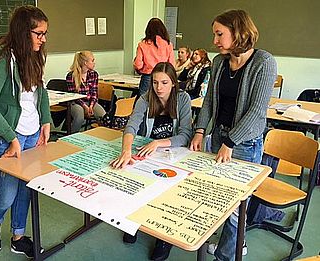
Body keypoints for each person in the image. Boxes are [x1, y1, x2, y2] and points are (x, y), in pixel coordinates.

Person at [189, 9, 277, 261]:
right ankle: (235, 243)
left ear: (238, 32)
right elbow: (208, 102)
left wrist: (230, 141)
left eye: (220, 34)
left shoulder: (264, 62)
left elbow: (257, 112)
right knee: (219, 196)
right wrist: (199, 130)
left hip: (244, 143)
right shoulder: (218, 62)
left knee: (237, 205)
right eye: (214, 34)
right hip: (218, 136)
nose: (215, 41)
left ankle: (228, 255)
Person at [0, 5, 51, 258]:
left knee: (25, 190)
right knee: (7, 195)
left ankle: (18, 236)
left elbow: (40, 91)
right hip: (5, 136)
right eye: (38, 33)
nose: (43, 39)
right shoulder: (0, 60)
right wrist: (11, 138)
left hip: (31, 134)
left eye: (44, 33)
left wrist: (46, 121)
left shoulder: (34, 54)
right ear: (22, 32)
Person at [111, 62, 192, 261]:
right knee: (135, 182)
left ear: (173, 83)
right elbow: (131, 126)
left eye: (164, 82)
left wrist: (158, 143)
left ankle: (163, 239)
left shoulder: (182, 99)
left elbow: (185, 135)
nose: (159, 87)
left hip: (173, 153)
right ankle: (134, 222)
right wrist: (126, 151)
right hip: (147, 152)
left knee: (168, 189)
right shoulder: (145, 99)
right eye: (155, 82)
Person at [66, 51, 106, 133]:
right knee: (79, 117)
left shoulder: (94, 74)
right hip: (76, 102)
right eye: (92, 60)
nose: (94, 63)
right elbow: (74, 95)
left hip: (90, 102)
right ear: (85, 63)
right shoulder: (71, 76)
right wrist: (85, 107)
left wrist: (91, 105)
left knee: (103, 116)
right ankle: (71, 136)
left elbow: (94, 92)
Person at [133, 18, 175, 96]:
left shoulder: (142, 44)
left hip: (148, 77)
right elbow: (171, 64)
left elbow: (138, 65)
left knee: (144, 102)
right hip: (163, 76)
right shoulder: (168, 44)